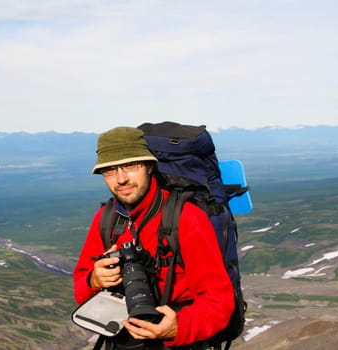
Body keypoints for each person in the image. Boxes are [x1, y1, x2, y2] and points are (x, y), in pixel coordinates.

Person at [73, 126, 234, 349]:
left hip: (178, 343)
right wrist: (94, 280)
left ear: (149, 166)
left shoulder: (186, 218)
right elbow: (81, 289)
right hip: (123, 339)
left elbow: (220, 301)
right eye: (109, 171)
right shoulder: (107, 219)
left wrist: (179, 328)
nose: (120, 179)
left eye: (130, 165)